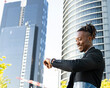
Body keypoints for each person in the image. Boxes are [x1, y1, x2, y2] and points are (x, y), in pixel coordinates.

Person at [43, 24, 105, 88]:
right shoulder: (82, 63)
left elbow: (73, 66)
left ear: (89, 39)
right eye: (76, 40)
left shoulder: (96, 55)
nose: (77, 43)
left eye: (80, 39)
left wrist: (52, 62)